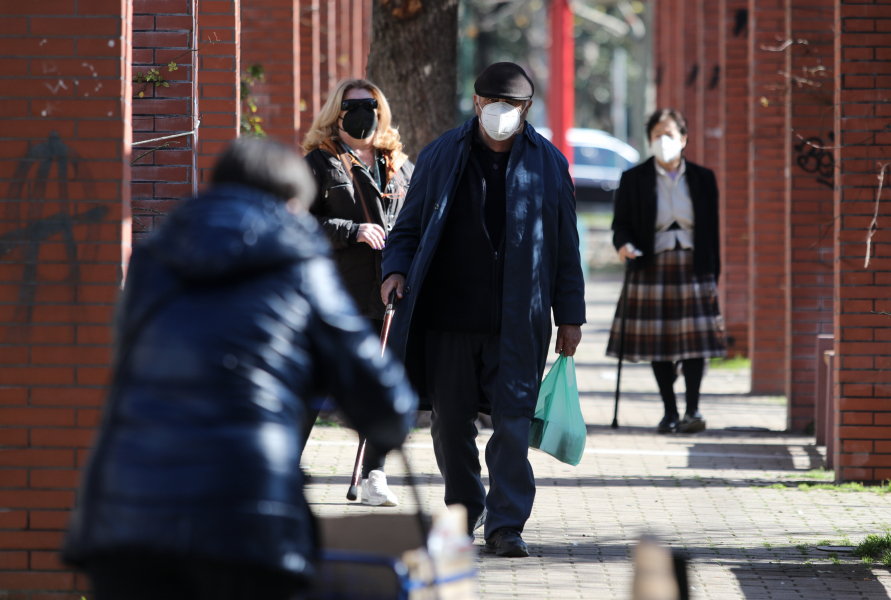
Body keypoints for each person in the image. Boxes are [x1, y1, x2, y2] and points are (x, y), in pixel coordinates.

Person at [62, 138, 416, 600]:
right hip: (245, 520)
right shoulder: (297, 259)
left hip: (123, 517)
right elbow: (383, 400)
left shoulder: (156, 257)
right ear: (292, 205)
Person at [381, 62, 586, 558]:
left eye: (510, 105)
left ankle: (506, 525)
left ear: (526, 109)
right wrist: (394, 270)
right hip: (449, 316)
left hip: (519, 320)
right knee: (451, 426)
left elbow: (565, 247)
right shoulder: (440, 155)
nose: (499, 112)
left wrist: (570, 315)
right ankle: (463, 514)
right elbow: (407, 228)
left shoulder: (548, 163)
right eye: (491, 102)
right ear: (475, 103)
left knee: (512, 423)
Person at [301, 78, 414, 507]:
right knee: (314, 383)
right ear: (337, 111)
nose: (362, 111)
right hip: (337, 295)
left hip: (387, 297)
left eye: (371, 104)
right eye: (352, 105)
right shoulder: (318, 163)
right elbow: (297, 222)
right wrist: (350, 231)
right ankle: (280, 470)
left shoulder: (400, 166)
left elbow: (414, 224)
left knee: (380, 386)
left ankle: (375, 474)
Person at [606, 108, 726, 434]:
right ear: (649, 141)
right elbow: (621, 226)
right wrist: (624, 246)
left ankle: (693, 409)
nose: (663, 141)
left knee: (696, 343)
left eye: (669, 134)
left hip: (694, 266)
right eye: (657, 135)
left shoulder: (703, 178)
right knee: (658, 343)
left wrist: (714, 273)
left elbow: (712, 232)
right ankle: (670, 411)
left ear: (684, 139)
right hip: (651, 265)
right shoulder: (634, 178)